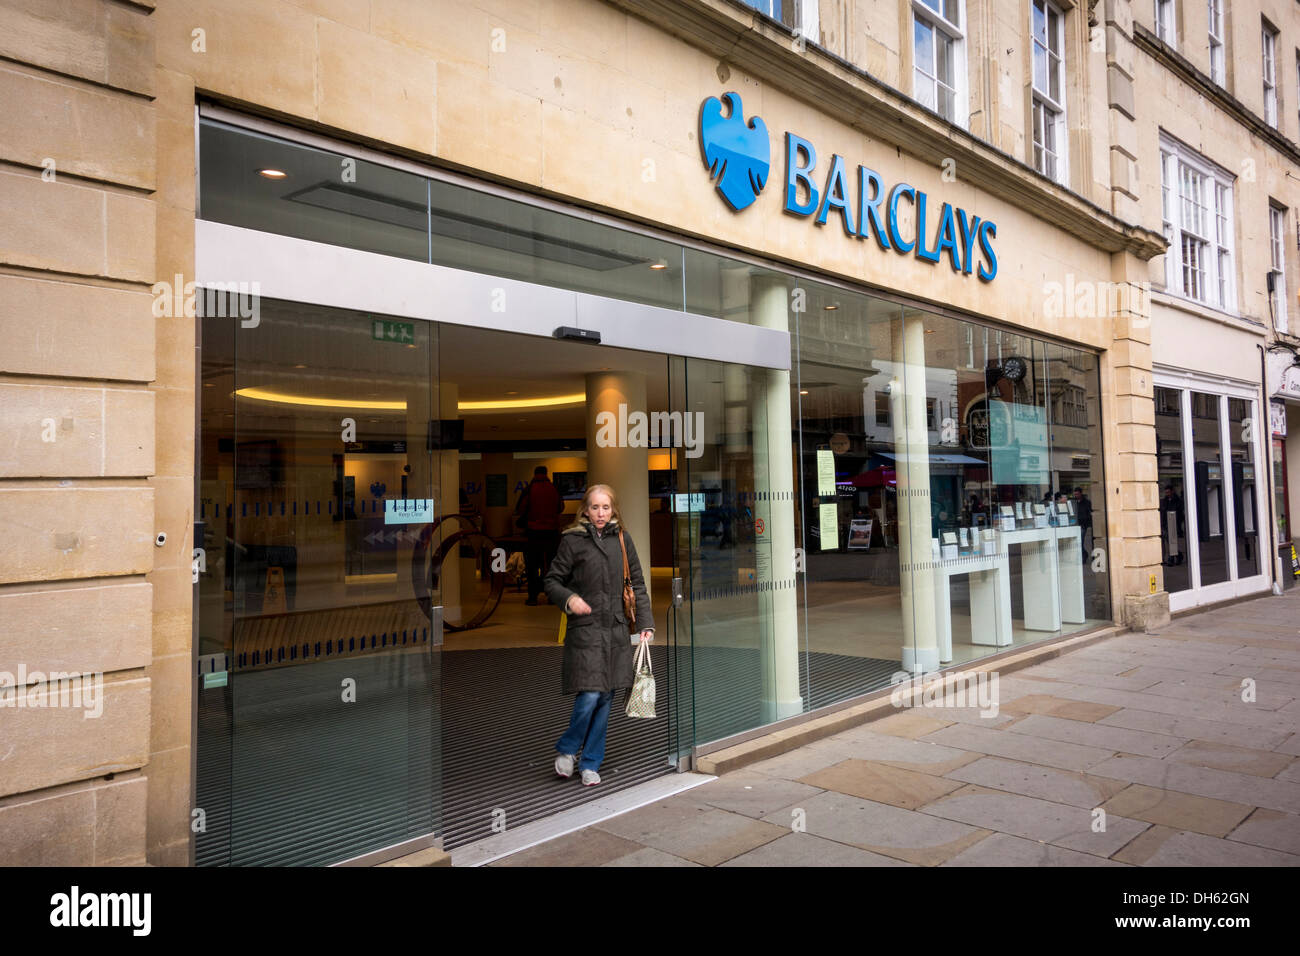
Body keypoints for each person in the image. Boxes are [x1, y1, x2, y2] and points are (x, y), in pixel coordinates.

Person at [544, 484, 654, 786]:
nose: (600, 513)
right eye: (595, 508)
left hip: (616, 629)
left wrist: (645, 623)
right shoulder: (572, 541)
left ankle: (591, 762)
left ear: (613, 509)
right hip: (586, 630)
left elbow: (638, 584)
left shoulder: (622, 539)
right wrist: (569, 599)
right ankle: (567, 749)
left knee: (606, 696)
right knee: (591, 693)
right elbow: (552, 581)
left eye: (606, 507)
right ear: (585, 510)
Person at [515, 465, 564, 605]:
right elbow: (561, 507)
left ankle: (532, 597)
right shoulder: (554, 488)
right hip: (551, 533)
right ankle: (551, 596)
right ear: (546, 473)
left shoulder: (529, 489)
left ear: (535, 474)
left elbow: (520, 509)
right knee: (550, 566)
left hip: (533, 532)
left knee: (532, 565)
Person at [1072, 487, 1093, 556]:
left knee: (1080, 542)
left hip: (1083, 525)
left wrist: (1087, 522)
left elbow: (1090, 512)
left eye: (1077, 494)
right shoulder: (1073, 502)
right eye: (1075, 494)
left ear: (1081, 493)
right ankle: (1085, 554)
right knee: (1077, 542)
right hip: (1075, 524)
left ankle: (1084, 556)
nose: (1076, 496)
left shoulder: (1087, 502)